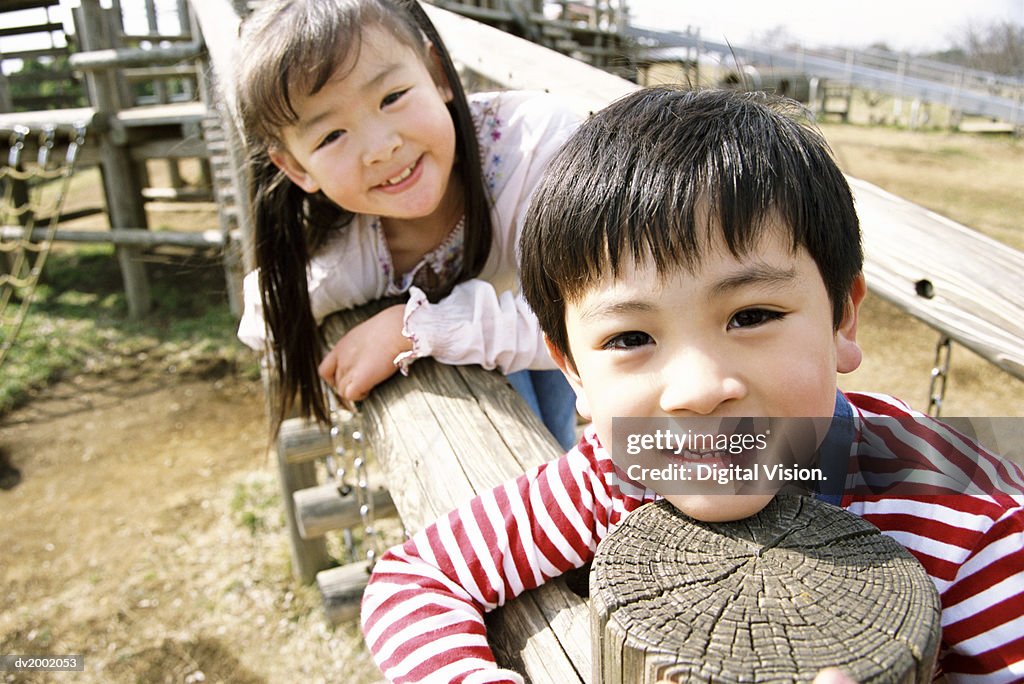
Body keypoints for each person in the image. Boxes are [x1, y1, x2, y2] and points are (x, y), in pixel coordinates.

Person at [360, 87, 1024, 682]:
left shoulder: (971, 527)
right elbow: (415, 580)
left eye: (753, 316)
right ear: (572, 370)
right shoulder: (622, 471)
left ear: (843, 318)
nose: (700, 389)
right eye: (629, 339)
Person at [233, 0, 579, 449]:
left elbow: (595, 321)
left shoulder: (532, 150)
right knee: (529, 415)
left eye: (392, 97)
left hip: (543, 289)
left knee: (558, 407)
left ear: (436, 74)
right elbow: (263, 320)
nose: (381, 147)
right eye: (331, 135)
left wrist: (417, 327)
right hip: (514, 310)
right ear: (296, 168)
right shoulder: (344, 257)